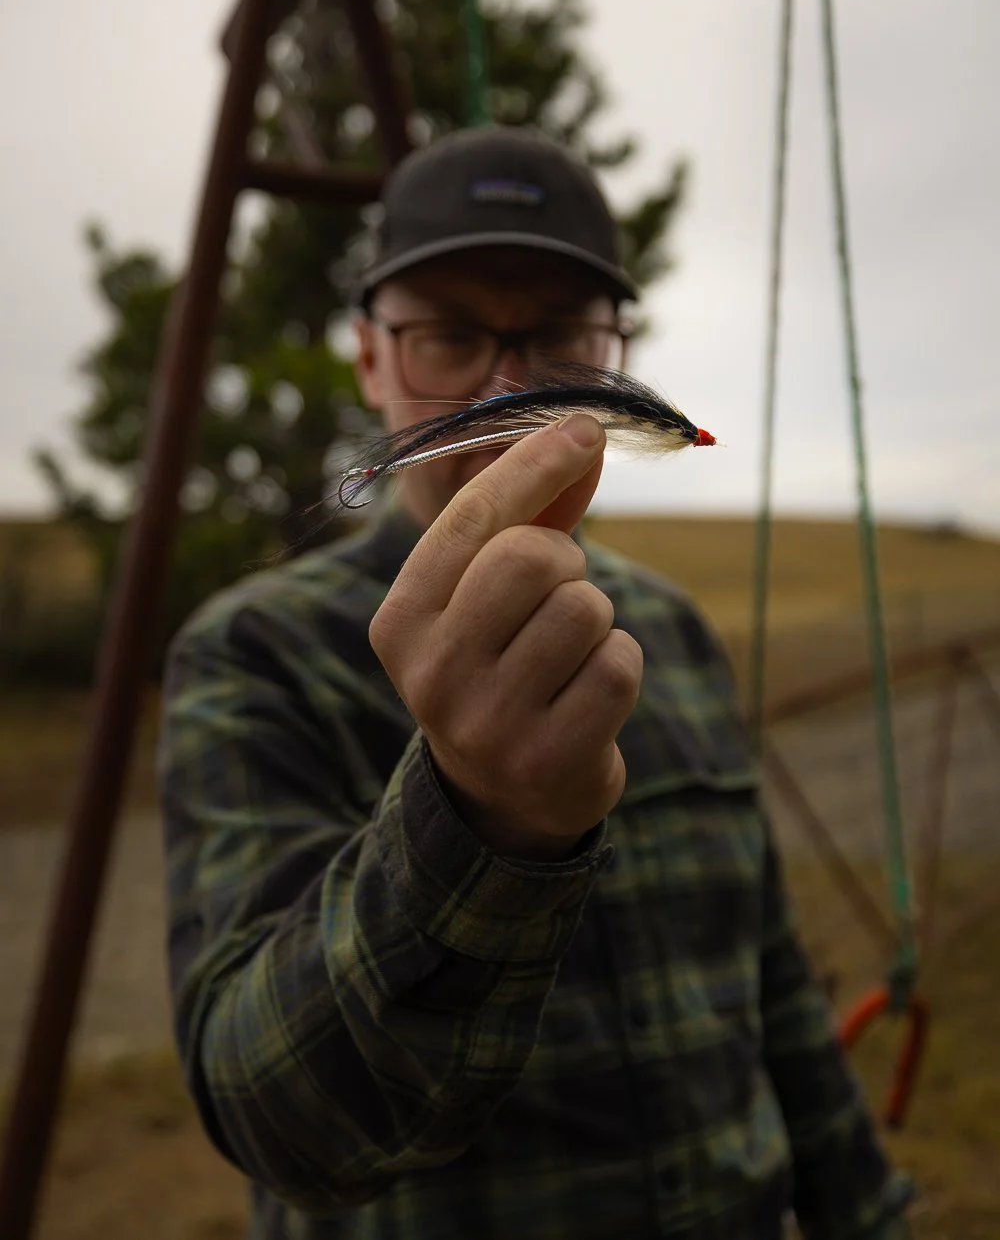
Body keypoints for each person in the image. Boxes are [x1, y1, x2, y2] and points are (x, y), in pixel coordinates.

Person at [159, 125, 913, 1239]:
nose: (508, 388)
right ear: (369, 356)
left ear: (612, 348)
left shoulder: (678, 636)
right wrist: (474, 819)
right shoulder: (251, 657)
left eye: (560, 333)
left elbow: (775, 996)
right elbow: (275, 1116)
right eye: (449, 334)